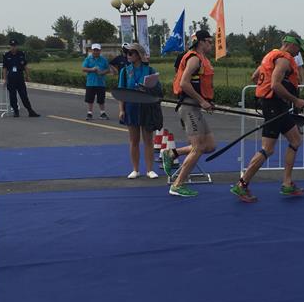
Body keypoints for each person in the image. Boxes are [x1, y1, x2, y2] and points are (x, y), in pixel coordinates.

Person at [230, 35, 304, 203]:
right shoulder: (284, 60)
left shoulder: (270, 56)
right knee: (267, 149)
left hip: (276, 105)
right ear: (291, 46)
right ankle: (242, 184)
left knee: (295, 140)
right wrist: (295, 100)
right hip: (274, 105)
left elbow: (255, 77)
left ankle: (287, 183)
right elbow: (275, 84)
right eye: (298, 49)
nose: (298, 54)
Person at [161, 30, 216, 197]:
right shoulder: (194, 59)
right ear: (201, 42)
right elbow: (184, 83)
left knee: (210, 145)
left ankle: (172, 153)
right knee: (198, 147)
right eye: (209, 41)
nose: (211, 44)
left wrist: (207, 101)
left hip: (195, 107)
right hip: (188, 107)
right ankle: (177, 185)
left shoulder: (202, 59)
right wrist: (202, 101)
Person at [118, 43, 162, 179]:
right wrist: (121, 110)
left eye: (131, 53)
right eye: (127, 53)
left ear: (139, 55)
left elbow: (157, 89)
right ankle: (135, 170)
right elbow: (121, 92)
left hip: (146, 106)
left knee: (148, 140)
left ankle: (149, 170)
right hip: (131, 107)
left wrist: (148, 89)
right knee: (134, 140)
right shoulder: (125, 71)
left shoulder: (150, 70)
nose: (128, 55)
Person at [2, 40, 40, 117]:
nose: (13, 47)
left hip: (20, 77)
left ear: (17, 46)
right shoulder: (6, 55)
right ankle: (16, 111)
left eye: (15, 46)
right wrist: (5, 79)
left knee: (24, 95)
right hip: (11, 78)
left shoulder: (21, 54)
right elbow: (5, 68)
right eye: (12, 46)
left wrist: (28, 76)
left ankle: (30, 111)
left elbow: (25, 66)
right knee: (12, 96)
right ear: (10, 46)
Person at [82, 43, 110, 120]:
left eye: (97, 50)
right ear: (92, 50)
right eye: (94, 50)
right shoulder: (88, 59)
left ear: (100, 51)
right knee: (90, 99)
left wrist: (102, 72)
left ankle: (102, 113)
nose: (96, 52)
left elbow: (108, 69)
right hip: (90, 83)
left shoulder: (104, 59)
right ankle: (89, 113)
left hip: (101, 83)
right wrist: (92, 69)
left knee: (101, 99)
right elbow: (83, 68)